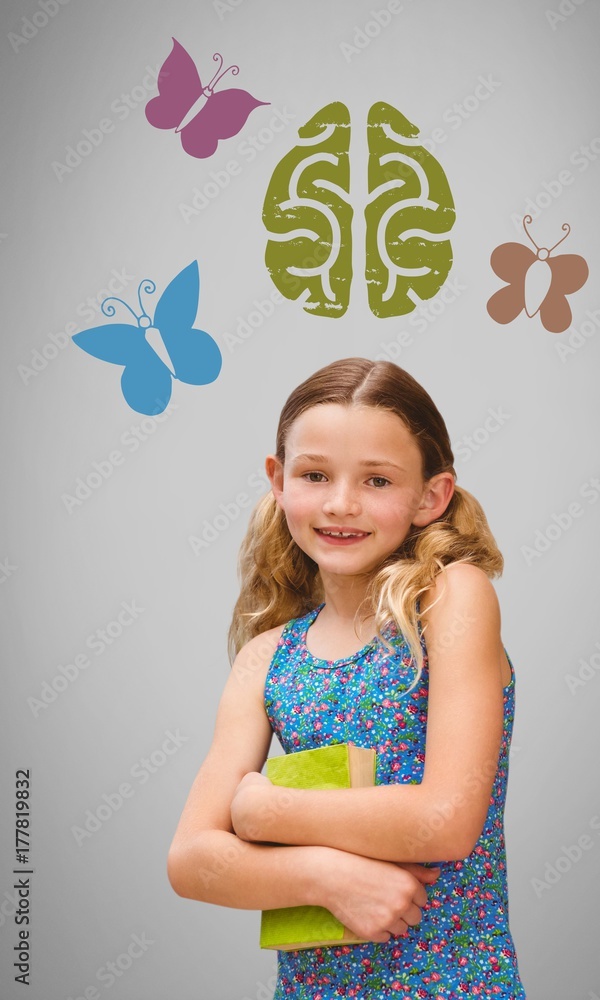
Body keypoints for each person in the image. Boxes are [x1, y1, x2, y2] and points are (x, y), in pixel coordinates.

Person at [167, 356, 526, 998]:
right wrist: (322, 878)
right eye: (314, 474)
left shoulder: (452, 600)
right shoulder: (267, 657)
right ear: (278, 481)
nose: (341, 504)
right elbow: (192, 860)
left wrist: (268, 810)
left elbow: (445, 818)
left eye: (378, 481)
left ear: (431, 496)